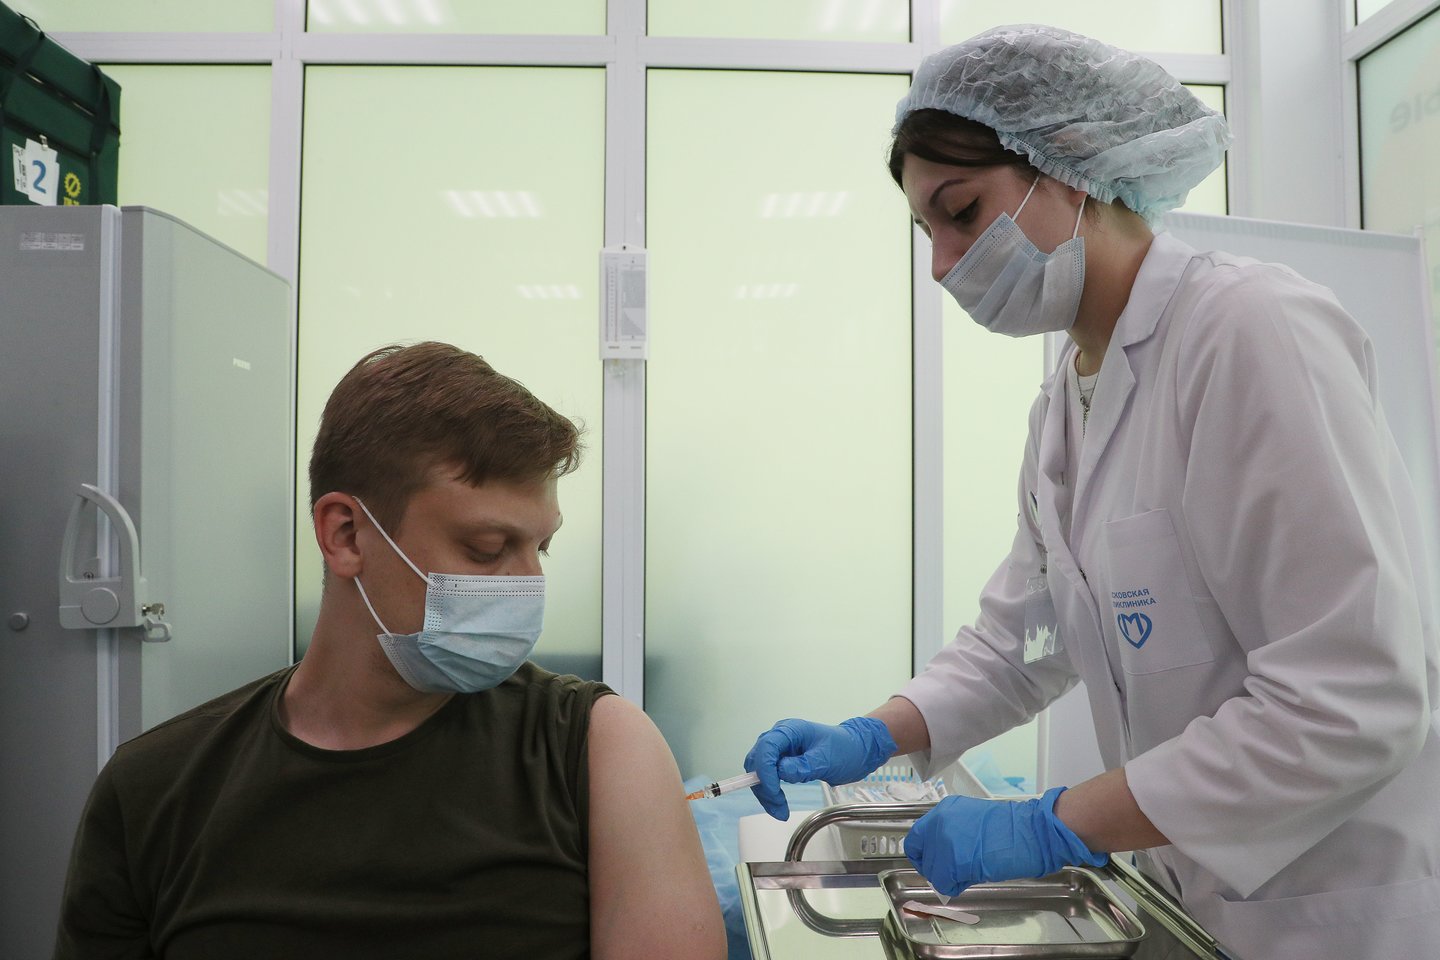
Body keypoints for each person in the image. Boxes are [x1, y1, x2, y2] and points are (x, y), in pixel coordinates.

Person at [744, 24, 1440, 960]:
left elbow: (1353, 697)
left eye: (962, 212)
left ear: (1067, 167)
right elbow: (1026, 641)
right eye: (926, 232)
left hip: (1333, 913)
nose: (943, 264)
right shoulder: (1068, 402)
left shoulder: (1249, 331)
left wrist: (1059, 820)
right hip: (1195, 902)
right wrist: (876, 734)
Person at [54, 342, 726, 960]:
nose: (528, 585)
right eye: (487, 550)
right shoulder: (155, 790)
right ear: (346, 535)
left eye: (540, 548)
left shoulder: (593, 750)